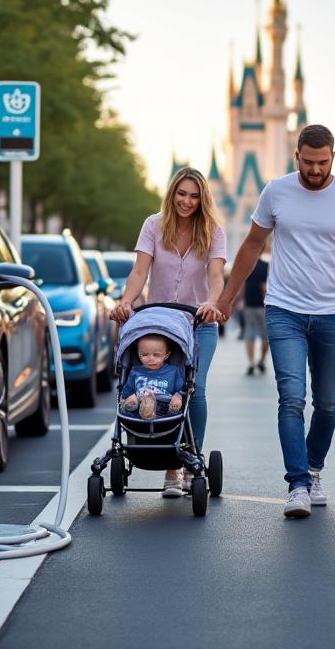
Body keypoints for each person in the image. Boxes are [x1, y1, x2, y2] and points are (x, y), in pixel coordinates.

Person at [215, 124, 335, 518]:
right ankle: (298, 484)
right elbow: (252, 245)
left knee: (328, 403)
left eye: (323, 163)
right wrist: (226, 297)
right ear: (297, 157)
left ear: (333, 159)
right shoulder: (276, 191)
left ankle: (314, 467)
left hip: (332, 314)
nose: (316, 170)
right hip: (284, 309)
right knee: (291, 398)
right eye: (308, 162)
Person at [112, 167, 227, 497]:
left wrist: (212, 301)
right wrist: (124, 303)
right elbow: (139, 272)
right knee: (159, 387)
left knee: (194, 388)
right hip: (159, 325)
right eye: (181, 194)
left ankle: (191, 460)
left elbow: (217, 275)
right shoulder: (153, 225)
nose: (187, 201)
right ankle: (171, 470)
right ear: (171, 193)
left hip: (197, 323)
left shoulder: (213, 231)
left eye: (194, 196)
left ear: (202, 199)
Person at [120, 334, 186, 420]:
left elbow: (181, 390)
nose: (150, 358)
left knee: (176, 399)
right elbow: (127, 391)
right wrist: (130, 397)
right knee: (132, 399)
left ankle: (160, 408)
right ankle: (144, 406)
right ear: (138, 354)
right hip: (139, 405)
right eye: (144, 354)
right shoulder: (135, 371)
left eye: (157, 355)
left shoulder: (173, 371)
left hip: (165, 405)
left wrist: (177, 397)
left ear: (166, 355)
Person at [242, 256, 270, 375]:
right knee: (265, 335)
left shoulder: (245, 263)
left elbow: (242, 284)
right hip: (263, 305)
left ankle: (251, 363)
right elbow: (266, 286)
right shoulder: (265, 265)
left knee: (250, 332)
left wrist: (239, 300)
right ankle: (261, 361)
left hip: (249, 303)